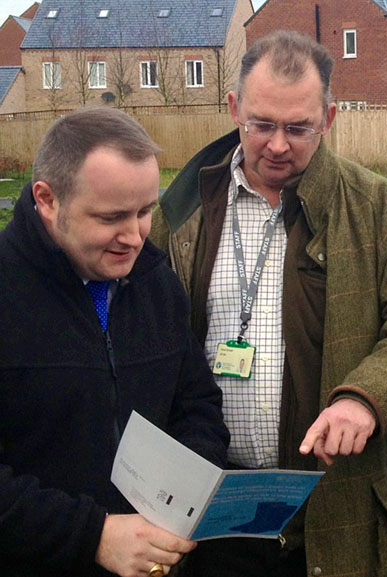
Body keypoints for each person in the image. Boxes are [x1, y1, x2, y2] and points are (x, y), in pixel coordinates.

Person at [150, 30, 387, 577]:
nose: (276, 145)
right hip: (212, 513)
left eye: (298, 128)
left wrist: (365, 399)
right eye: (261, 124)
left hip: (335, 509)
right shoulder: (183, 211)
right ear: (233, 108)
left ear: (330, 118)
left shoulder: (377, 209)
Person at [0, 108, 230, 577]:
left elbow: (198, 405)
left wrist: (179, 500)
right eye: (111, 217)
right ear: (47, 200)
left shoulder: (157, 286)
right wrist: (93, 536)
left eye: (146, 210)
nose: (134, 236)